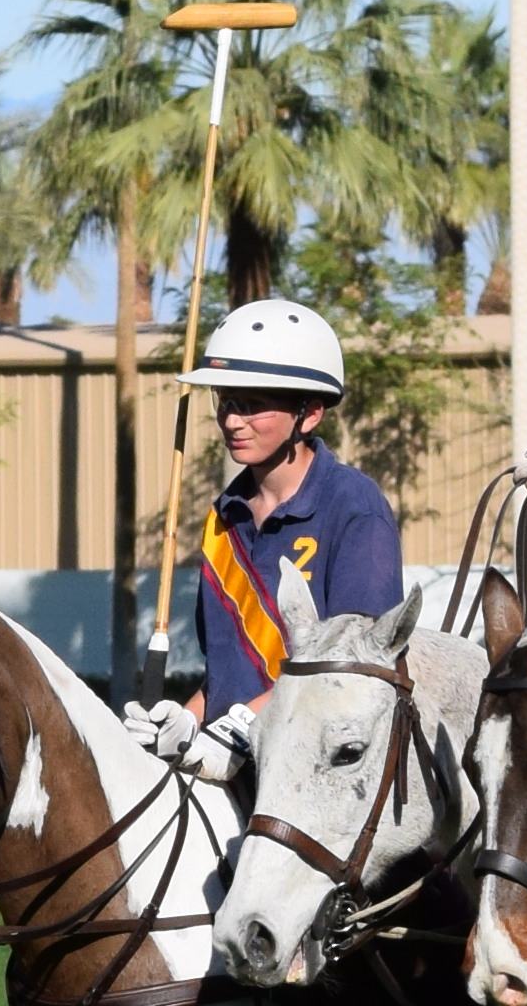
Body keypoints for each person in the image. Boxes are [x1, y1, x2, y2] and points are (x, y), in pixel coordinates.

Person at [169, 297, 399, 750]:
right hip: (225, 764)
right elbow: (228, 674)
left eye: (253, 404)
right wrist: (184, 721)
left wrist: (242, 729)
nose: (232, 420)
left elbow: (353, 671)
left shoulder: (354, 507)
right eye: (225, 401)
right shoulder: (223, 516)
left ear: (310, 413)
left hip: (309, 781)